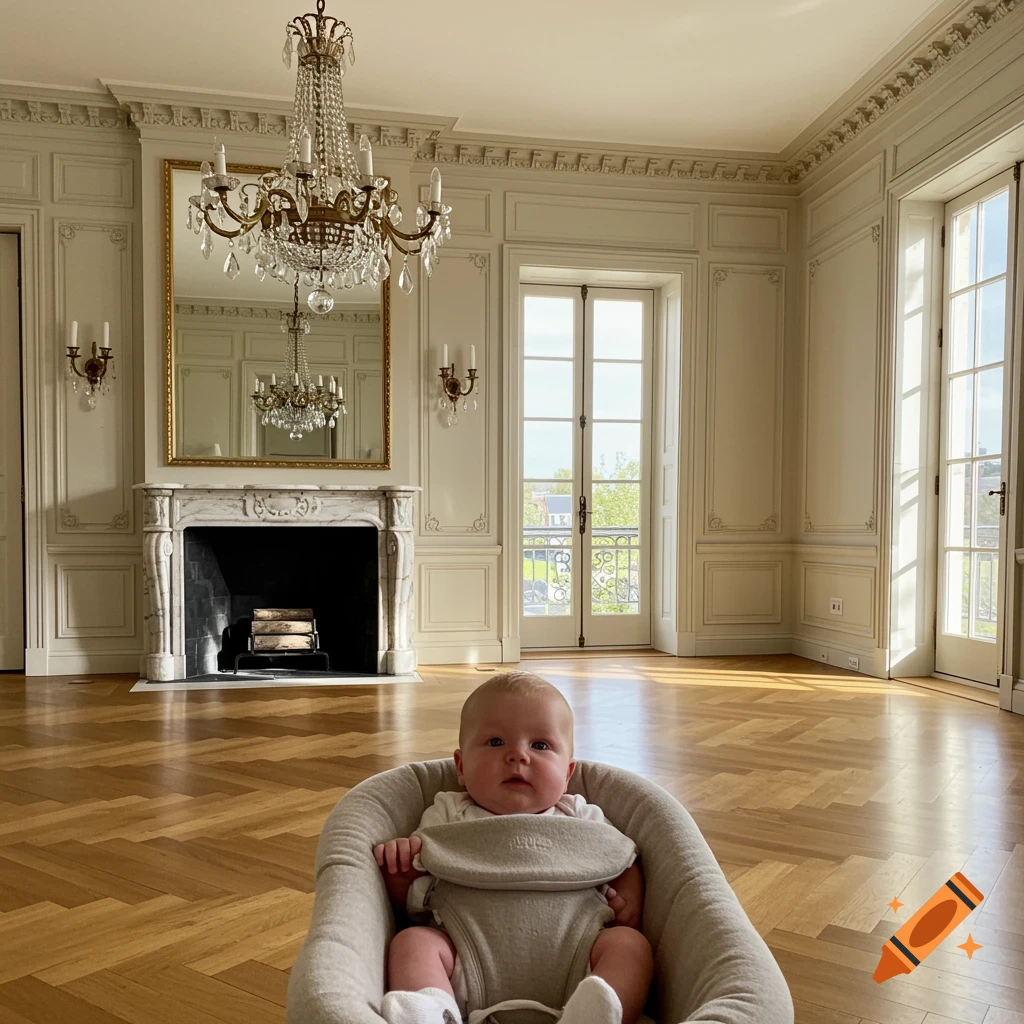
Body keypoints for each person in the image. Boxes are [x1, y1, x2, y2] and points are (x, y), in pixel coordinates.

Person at [373, 671, 654, 1024]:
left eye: (539, 745)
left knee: (630, 946)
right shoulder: (449, 811)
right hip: (466, 956)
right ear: (461, 767)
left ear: (567, 774)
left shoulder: (579, 812)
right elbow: (419, 898)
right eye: (495, 743)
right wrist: (400, 874)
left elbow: (622, 858)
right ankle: (433, 1010)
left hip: (578, 957)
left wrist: (628, 903)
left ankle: (597, 1015)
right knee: (413, 943)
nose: (517, 756)